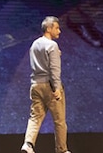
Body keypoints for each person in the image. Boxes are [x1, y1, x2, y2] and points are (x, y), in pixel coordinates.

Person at [20, 16, 70, 153]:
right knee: (59, 121)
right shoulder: (52, 45)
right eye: (57, 28)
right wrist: (57, 88)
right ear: (49, 28)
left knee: (35, 117)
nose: (59, 31)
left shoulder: (35, 44)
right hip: (49, 86)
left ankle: (28, 145)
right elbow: (54, 70)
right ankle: (62, 150)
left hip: (35, 85)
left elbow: (38, 63)